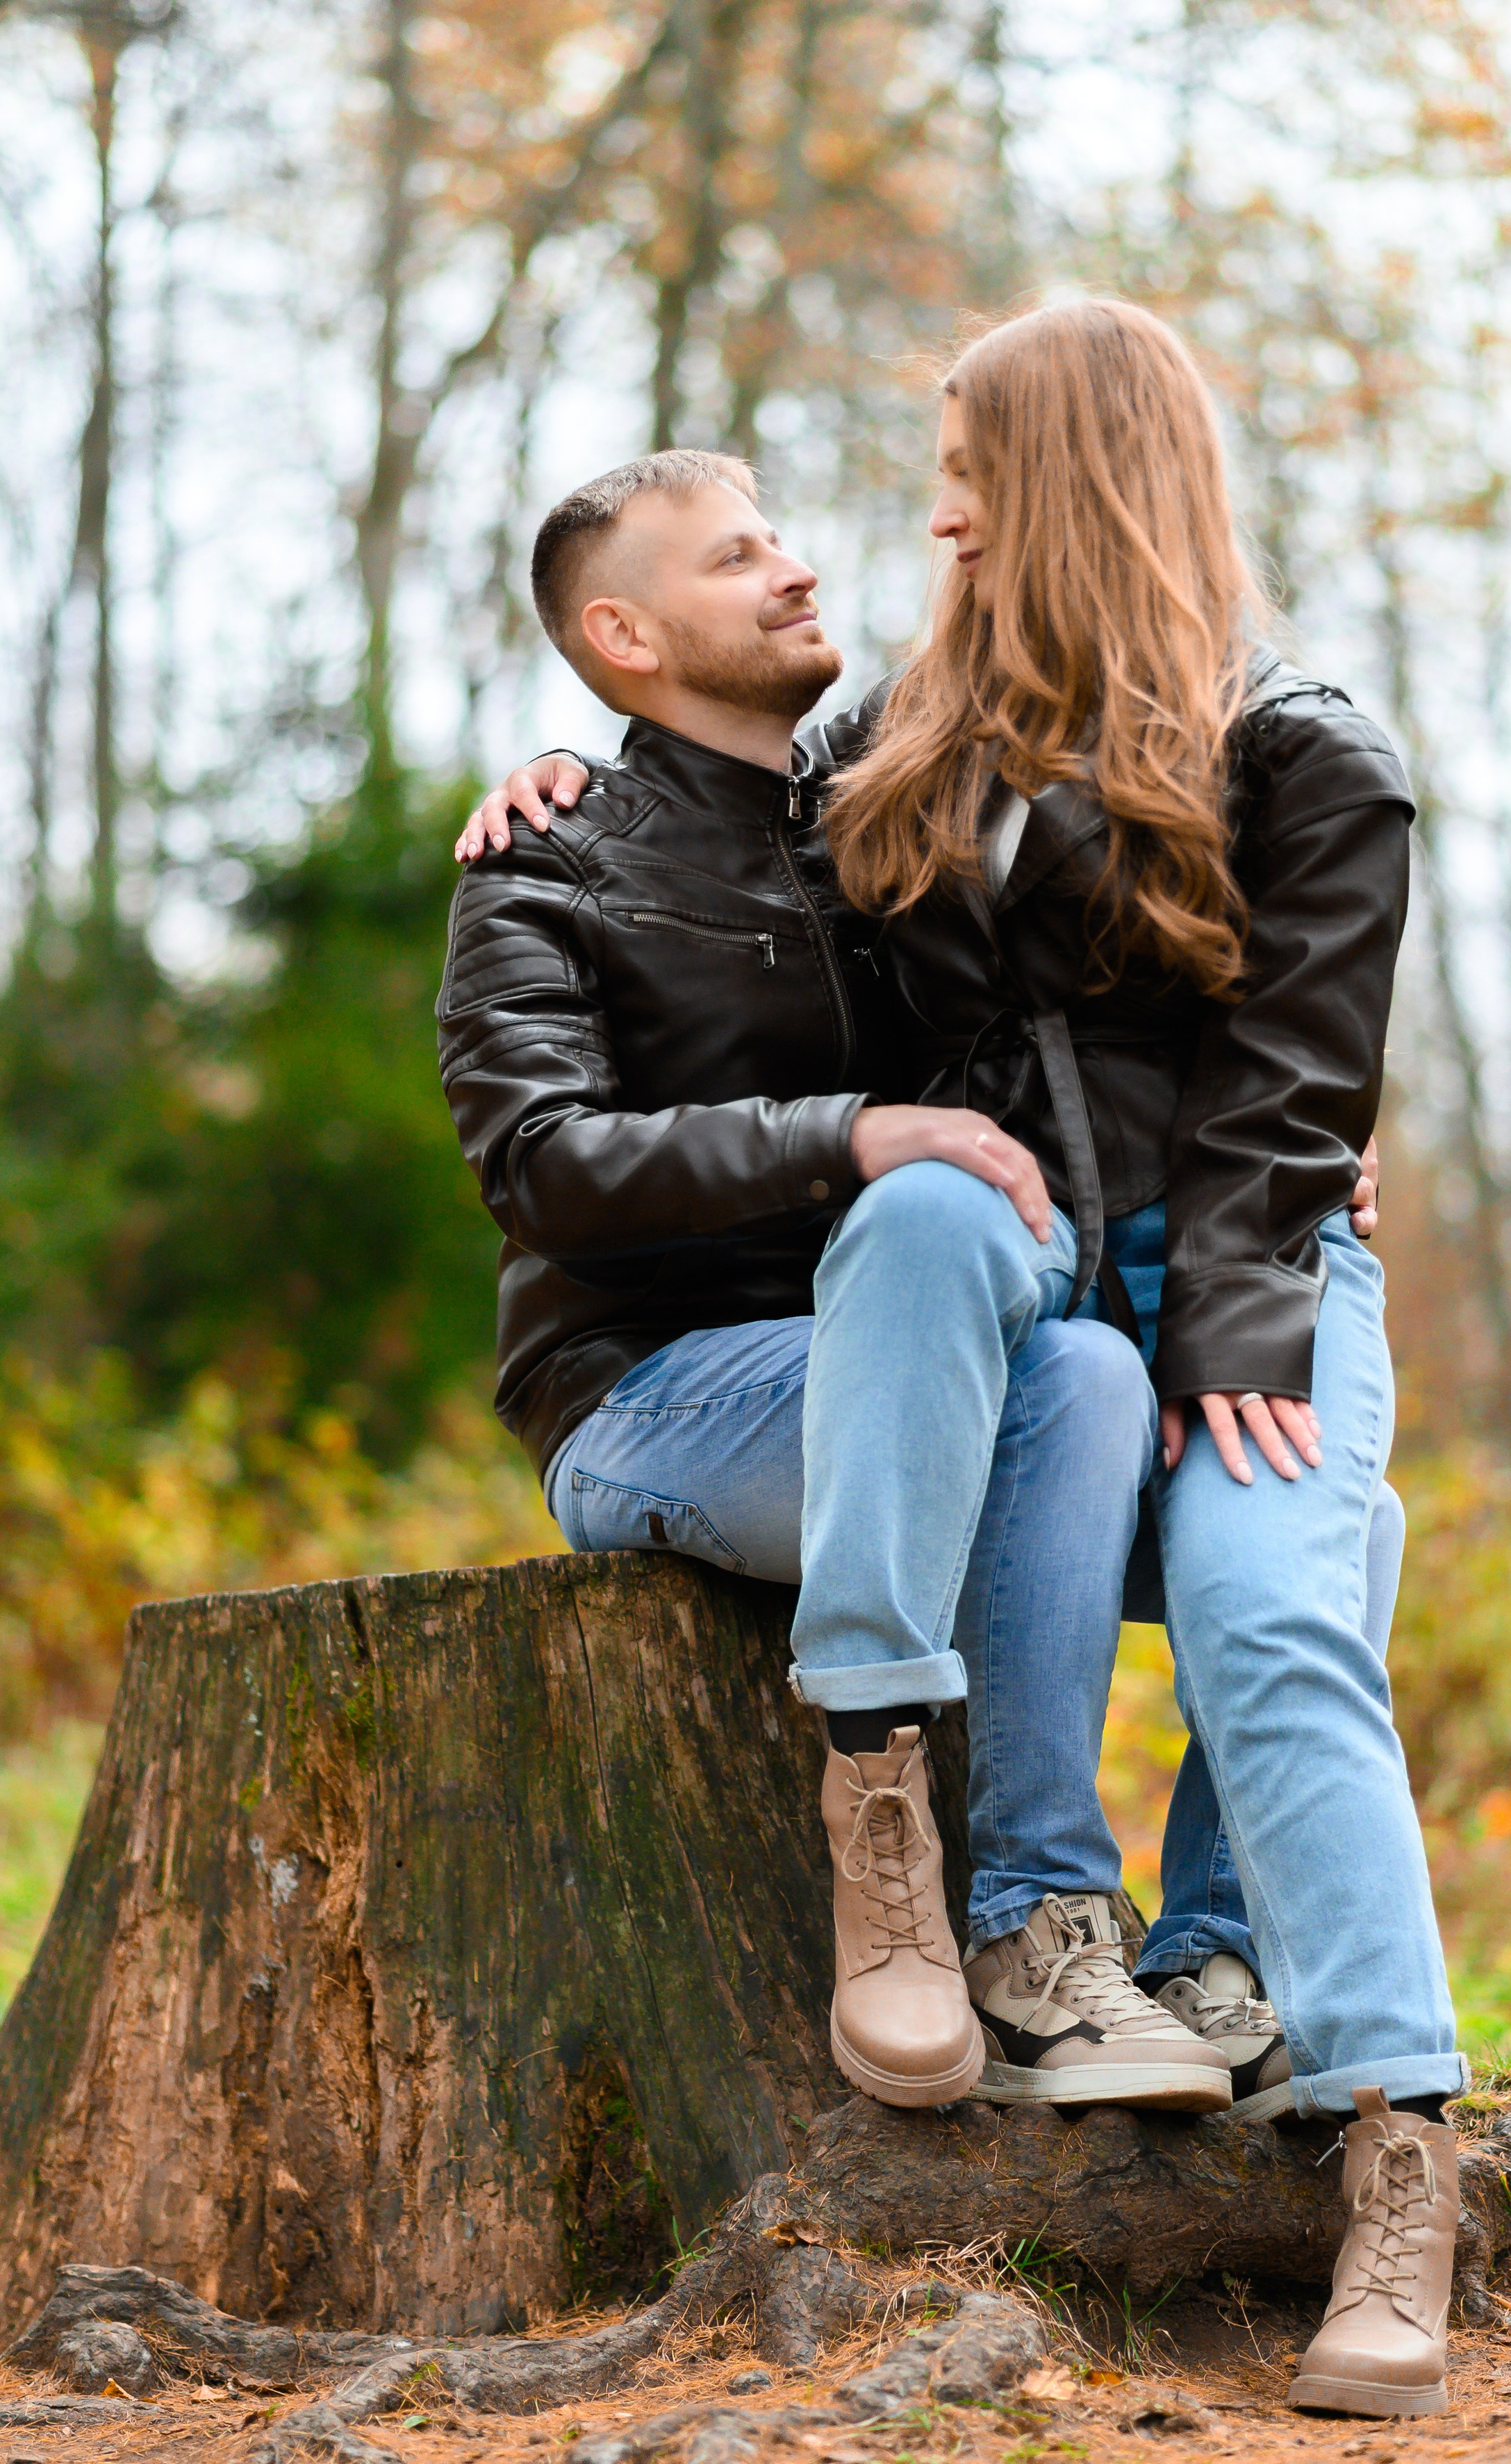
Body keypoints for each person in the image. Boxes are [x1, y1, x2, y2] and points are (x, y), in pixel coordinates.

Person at [464, 301, 1465, 2424]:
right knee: (1070, 1367)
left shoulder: (1308, 751)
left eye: (965, 469)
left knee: (1285, 1599)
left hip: (1239, 1260)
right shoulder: (900, 746)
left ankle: (1391, 2147)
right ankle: (985, 1878)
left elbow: (1294, 1091)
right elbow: (713, 846)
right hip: (1016, 1281)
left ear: (1071, 479)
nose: (924, 515)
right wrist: (563, 772)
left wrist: (1254, 1271)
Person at [437, 447, 1232, 2122]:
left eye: (782, 540)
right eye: (736, 558)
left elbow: (1088, 1014)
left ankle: (1040, 1925)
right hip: (650, 1394)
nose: (796, 571)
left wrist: (1294, 1136)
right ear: (623, 633)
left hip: (931, 1372)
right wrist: (844, 1133)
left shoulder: (891, 819)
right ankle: (878, 1815)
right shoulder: (546, 861)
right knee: (938, 1209)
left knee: (1110, 1381)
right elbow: (541, 1166)